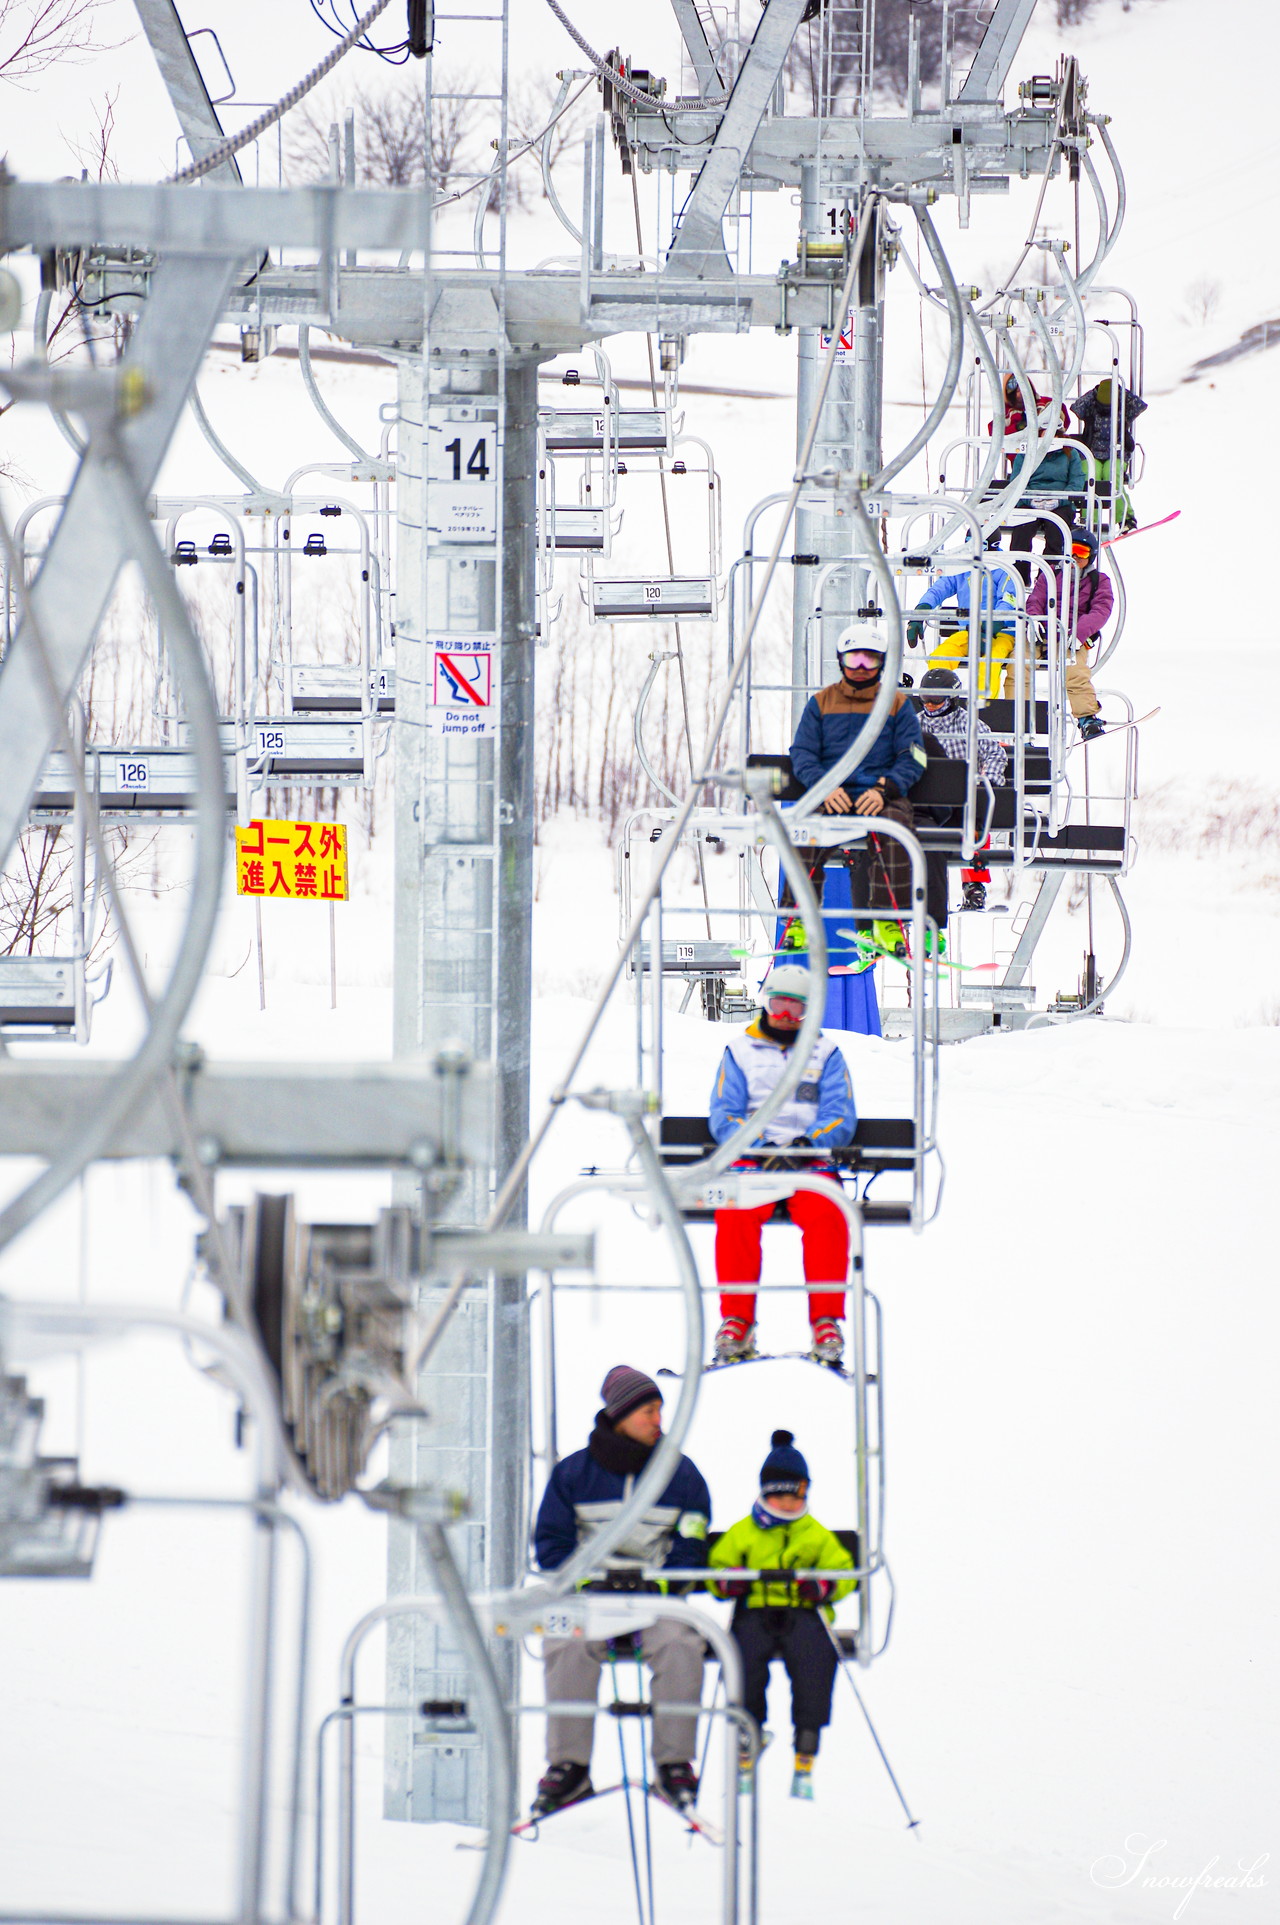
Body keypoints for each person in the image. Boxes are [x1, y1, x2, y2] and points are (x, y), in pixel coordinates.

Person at [531, 1366, 712, 1817]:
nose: (658, 1421)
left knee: (680, 1644)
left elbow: (694, 1540)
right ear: (621, 1415)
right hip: (592, 1598)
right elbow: (551, 1545)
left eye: (659, 1411)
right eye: (649, 1411)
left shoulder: (681, 1474)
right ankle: (569, 1765)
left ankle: (673, 1763)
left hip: (655, 1597)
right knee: (566, 1642)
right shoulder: (573, 1473)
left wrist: (667, 1582)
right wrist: (585, 1579)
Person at [709, 964, 856, 1366]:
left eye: (797, 1007)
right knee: (735, 1212)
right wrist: (757, 1146)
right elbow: (725, 1113)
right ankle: (737, 1319)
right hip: (755, 1164)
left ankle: (826, 1319)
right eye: (779, 1004)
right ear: (766, 1002)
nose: (786, 1015)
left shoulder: (825, 1054)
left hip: (808, 1163)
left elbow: (839, 1111)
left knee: (828, 1215)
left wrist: (809, 1144)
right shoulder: (740, 1052)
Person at [709, 1430, 855, 1798]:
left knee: (816, 1658)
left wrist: (824, 1587)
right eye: (780, 1495)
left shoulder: (816, 1534)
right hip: (756, 1610)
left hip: (802, 1612)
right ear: (765, 1493)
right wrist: (730, 1582)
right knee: (743, 1660)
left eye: (797, 1496)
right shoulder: (745, 1532)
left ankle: (806, 1749)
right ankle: (749, 1731)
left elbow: (843, 1571)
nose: (789, 1504)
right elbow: (718, 1566)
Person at [787, 630, 927, 959]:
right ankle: (798, 918)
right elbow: (802, 753)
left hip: (880, 794)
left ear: (881, 664)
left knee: (894, 828)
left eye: (870, 659)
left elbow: (915, 755)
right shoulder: (821, 703)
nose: (861, 667)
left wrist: (885, 788)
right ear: (841, 661)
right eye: (854, 659)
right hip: (831, 794)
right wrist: (823, 787)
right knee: (805, 832)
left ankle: (887, 920)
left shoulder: (897, 705)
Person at [917, 666, 1008, 912]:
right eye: (925, 699)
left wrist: (987, 779)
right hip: (926, 797)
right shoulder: (915, 725)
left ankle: (974, 885)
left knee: (975, 820)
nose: (930, 705)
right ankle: (920, 891)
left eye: (936, 700)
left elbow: (995, 753)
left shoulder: (969, 724)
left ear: (951, 699)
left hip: (963, 795)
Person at [1025, 527, 1114, 740]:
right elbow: (1036, 600)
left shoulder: (1098, 581)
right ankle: (1016, 714)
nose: (1075, 557)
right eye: (1071, 550)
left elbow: (1101, 609)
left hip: (1072, 637)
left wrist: (1079, 634)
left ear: (1090, 556)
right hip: (1044, 633)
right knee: (1018, 664)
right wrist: (1034, 621)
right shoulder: (1050, 575)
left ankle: (1086, 718)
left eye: (1081, 553)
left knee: (1073, 668)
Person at [906, 539, 1021, 697]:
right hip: (968, 631)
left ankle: (983, 710)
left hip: (1000, 632)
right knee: (939, 658)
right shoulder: (961, 566)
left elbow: (1008, 600)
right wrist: (921, 610)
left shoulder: (1003, 568)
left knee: (988, 664)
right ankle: (939, 703)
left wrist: (991, 624)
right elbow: (939, 589)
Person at [1069, 377, 1147, 530]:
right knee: (1091, 478)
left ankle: (1126, 518)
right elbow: (1076, 407)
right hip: (1093, 450)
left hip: (1117, 451)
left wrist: (1120, 391)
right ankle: (1090, 519)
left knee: (1113, 476)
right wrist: (1094, 392)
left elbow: (1140, 406)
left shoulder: (1124, 408)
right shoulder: (1091, 407)